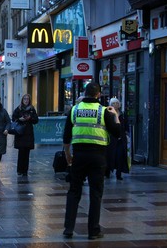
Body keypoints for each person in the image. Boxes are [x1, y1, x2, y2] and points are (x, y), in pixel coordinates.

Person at [62, 82, 121, 240]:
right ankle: (93, 231)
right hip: (98, 157)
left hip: (79, 156)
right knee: (95, 193)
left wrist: (68, 155)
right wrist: (115, 115)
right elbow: (117, 133)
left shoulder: (74, 110)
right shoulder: (103, 112)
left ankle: (68, 228)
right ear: (98, 95)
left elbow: (66, 136)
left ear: (85, 93)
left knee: (74, 191)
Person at [12, 94, 39, 176]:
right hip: (20, 133)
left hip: (28, 133)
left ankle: (25, 171)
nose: (26, 100)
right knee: (21, 152)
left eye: (27, 99)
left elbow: (36, 120)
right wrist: (19, 119)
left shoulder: (32, 109)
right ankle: (19, 170)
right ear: (22, 100)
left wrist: (30, 118)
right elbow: (13, 118)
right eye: (24, 99)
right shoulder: (18, 108)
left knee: (27, 153)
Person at [105, 98, 129, 180]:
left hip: (121, 138)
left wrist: (125, 133)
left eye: (117, 103)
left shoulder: (122, 114)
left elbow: (125, 126)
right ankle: (107, 172)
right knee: (110, 155)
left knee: (120, 156)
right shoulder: (108, 114)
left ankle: (119, 174)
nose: (115, 105)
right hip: (112, 138)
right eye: (113, 103)